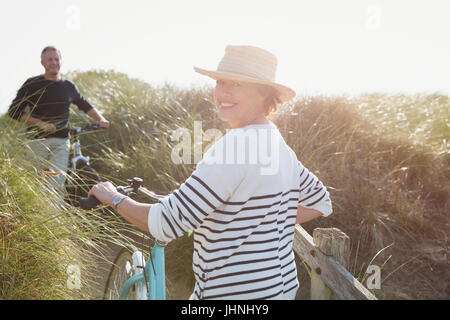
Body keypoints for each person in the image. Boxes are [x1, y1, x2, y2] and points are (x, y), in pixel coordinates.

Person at [88, 45, 333, 300]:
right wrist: (261, 221)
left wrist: (113, 197)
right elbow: (321, 201)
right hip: (280, 292)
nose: (223, 92)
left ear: (264, 93)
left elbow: (164, 224)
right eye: (220, 81)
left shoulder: (234, 147)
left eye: (237, 84)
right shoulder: (277, 145)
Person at [8, 46, 110, 193]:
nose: (53, 62)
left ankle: (54, 213)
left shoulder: (68, 86)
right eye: (50, 59)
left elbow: (84, 105)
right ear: (42, 62)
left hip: (61, 142)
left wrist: (101, 119)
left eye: (56, 59)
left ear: (61, 62)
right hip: (37, 142)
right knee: (33, 182)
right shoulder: (32, 84)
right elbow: (14, 111)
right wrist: (41, 124)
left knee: (56, 184)